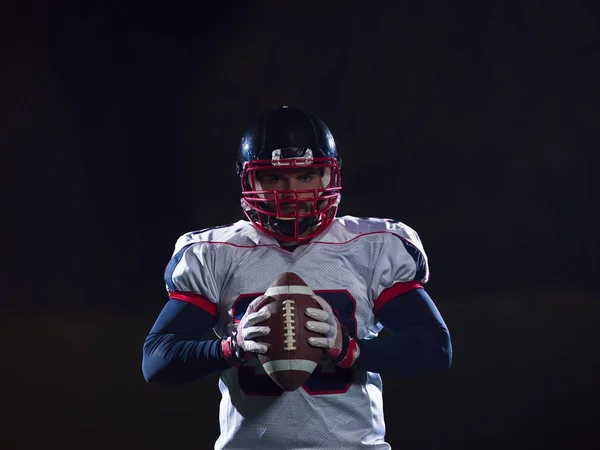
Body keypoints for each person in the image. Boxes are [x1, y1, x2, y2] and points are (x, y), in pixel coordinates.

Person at [142, 106, 453, 450]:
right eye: (274, 177)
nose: (290, 192)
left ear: (328, 178)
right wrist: (232, 347)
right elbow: (158, 359)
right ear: (249, 180)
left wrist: (350, 349)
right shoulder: (218, 253)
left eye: (305, 176)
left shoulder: (371, 247)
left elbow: (435, 348)